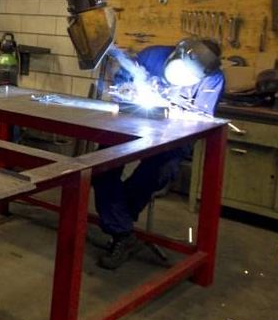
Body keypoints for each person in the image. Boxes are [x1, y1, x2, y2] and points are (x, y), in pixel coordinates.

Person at [93, 39, 224, 270]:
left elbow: (202, 119)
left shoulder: (213, 78)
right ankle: (122, 229)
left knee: (161, 171)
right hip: (129, 122)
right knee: (102, 167)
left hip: (174, 136)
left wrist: (173, 108)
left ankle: (120, 227)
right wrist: (128, 89)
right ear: (177, 53)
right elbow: (121, 82)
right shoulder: (152, 55)